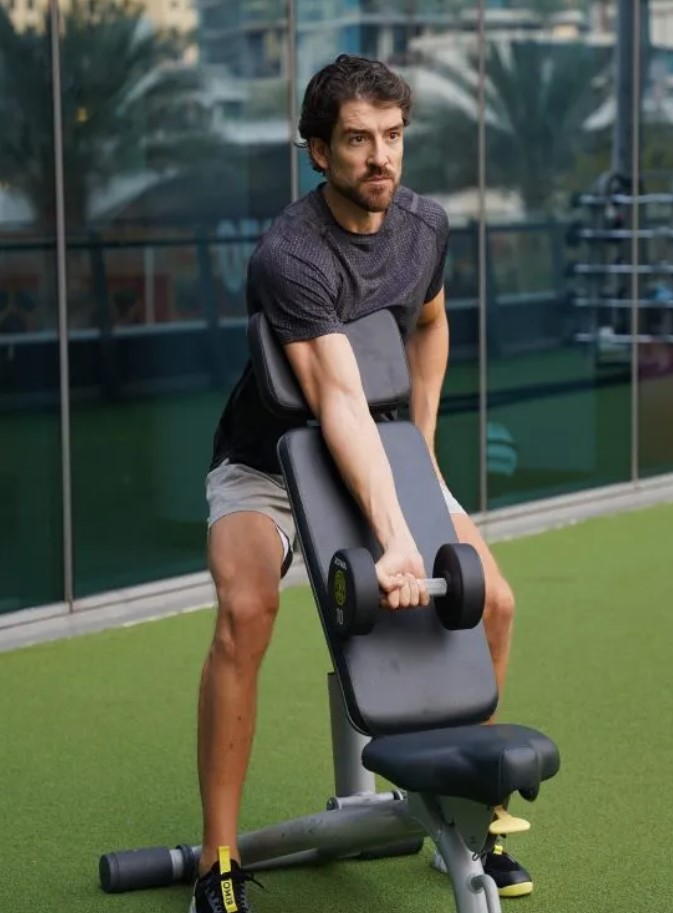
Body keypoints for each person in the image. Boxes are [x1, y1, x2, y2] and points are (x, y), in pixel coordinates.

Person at [189, 54, 530, 913]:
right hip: (270, 465)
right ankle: (217, 859)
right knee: (244, 612)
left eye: (392, 137)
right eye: (355, 141)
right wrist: (401, 536)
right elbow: (336, 400)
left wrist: (418, 450)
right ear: (316, 151)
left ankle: (469, 818)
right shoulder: (288, 255)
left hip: (384, 449)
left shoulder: (425, 226)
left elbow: (432, 319)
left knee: (491, 599)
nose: (380, 158)